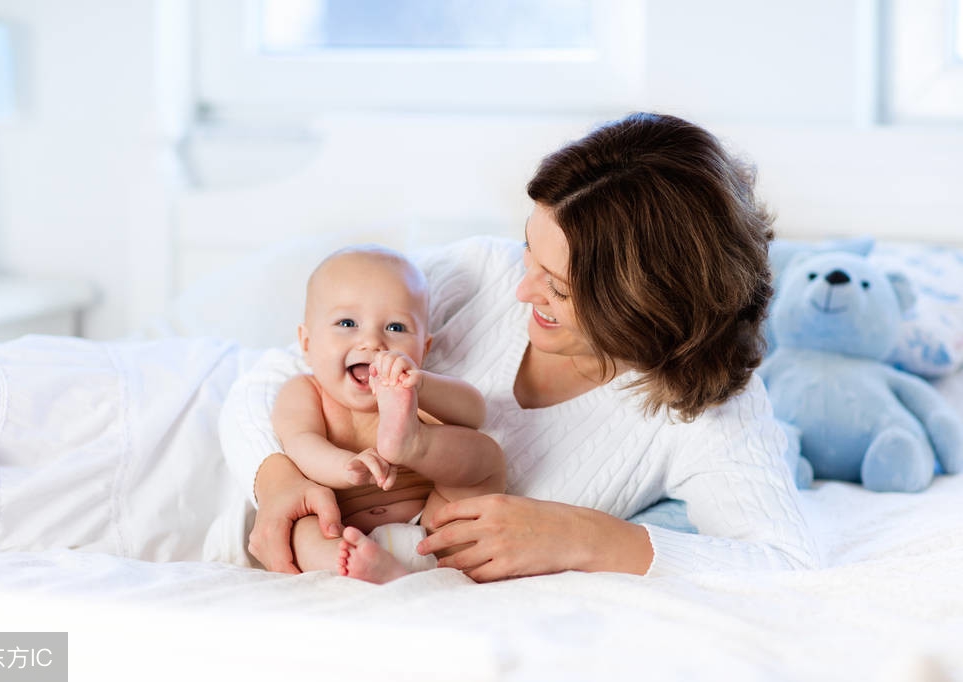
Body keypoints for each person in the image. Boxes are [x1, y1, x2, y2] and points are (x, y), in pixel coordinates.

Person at [219, 111, 822, 580]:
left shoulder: (703, 412)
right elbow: (270, 378)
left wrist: (585, 537)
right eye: (529, 249)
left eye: (557, 286)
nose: (521, 289)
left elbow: (786, 563)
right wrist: (276, 482)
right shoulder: (479, 273)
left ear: (642, 306)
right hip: (218, 469)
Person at [275, 245, 504, 582]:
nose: (372, 342)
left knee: (486, 455)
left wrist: (422, 385)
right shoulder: (304, 391)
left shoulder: (411, 389)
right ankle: (351, 566)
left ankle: (411, 443)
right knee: (301, 527)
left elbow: (474, 414)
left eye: (396, 328)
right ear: (306, 343)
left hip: (432, 526)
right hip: (345, 532)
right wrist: (345, 467)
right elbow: (301, 443)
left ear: (424, 347)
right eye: (347, 323)